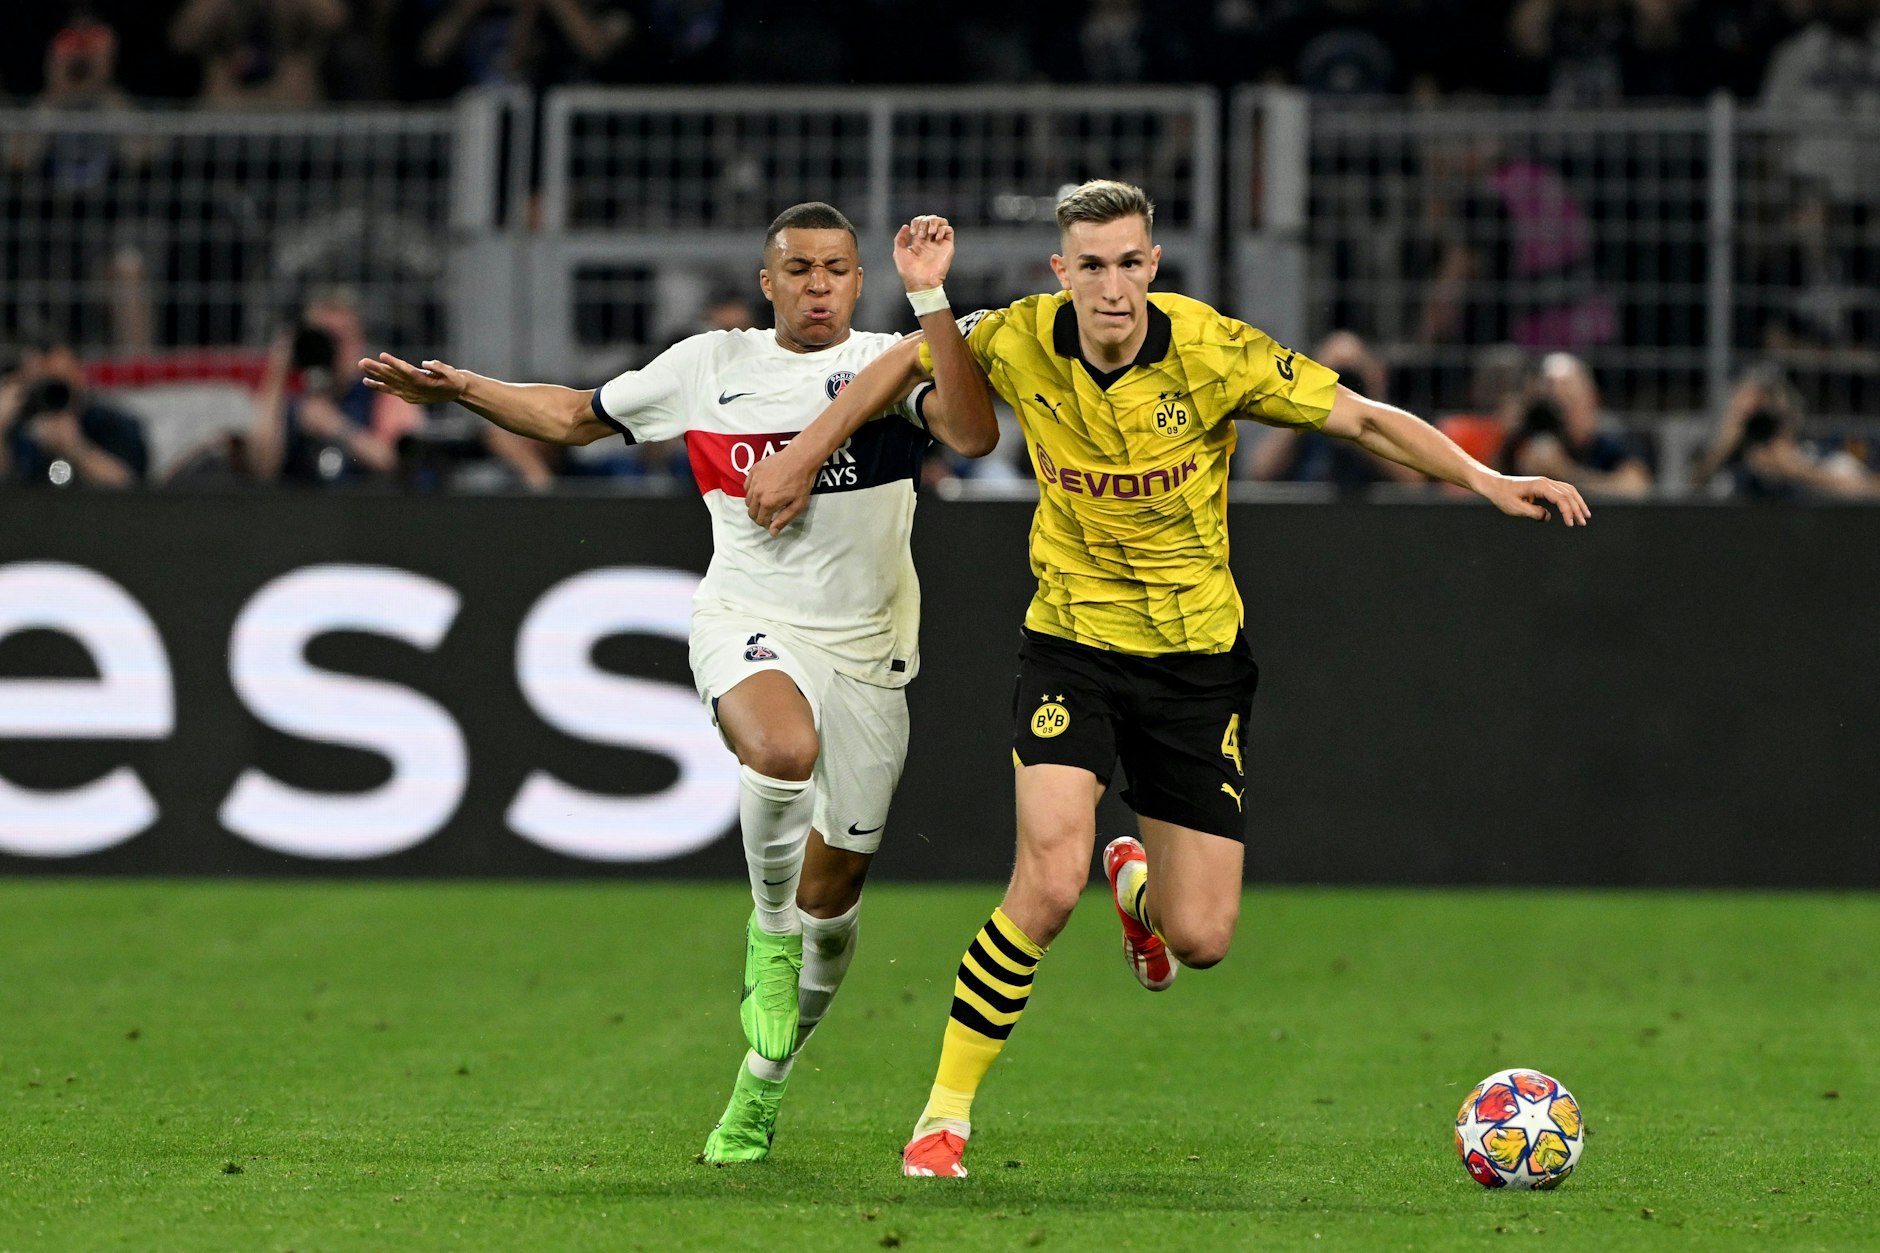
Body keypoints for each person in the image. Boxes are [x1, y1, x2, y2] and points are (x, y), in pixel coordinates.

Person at [744, 179, 1590, 1179]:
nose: (1109, 284)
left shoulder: (1213, 349)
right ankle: (943, 1115)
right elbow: (900, 361)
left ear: (1152, 264)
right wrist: (801, 452)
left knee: (1202, 937)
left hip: (1195, 666)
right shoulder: (1017, 333)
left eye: (1127, 262)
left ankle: (1138, 893)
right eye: (1089, 265)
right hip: (1070, 645)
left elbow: (1358, 419)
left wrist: (1486, 480)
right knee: (1045, 880)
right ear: (1062, 271)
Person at [357, 204, 997, 1162]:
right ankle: (765, 936)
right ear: (767, 280)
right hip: (747, 616)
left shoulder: (889, 359)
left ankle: (761, 1085)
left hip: (869, 649)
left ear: (858, 282)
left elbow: (977, 435)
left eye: (835, 269)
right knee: (781, 750)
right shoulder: (708, 365)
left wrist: (933, 304)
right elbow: (577, 416)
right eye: (799, 269)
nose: (819, 285)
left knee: (839, 907)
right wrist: (467, 391)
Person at [247, 287, 423, 486]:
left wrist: (337, 428)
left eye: (338, 339)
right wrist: (277, 372)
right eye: (322, 338)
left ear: (357, 341)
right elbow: (260, 467)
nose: (331, 349)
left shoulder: (382, 390)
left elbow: (403, 462)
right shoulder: (291, 399)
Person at [0, 339, 148, 488]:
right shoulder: (15, 427)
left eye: (57, 385)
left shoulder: (110, 423)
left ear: (80, 376)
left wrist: (76, 449)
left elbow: (130, 488)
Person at [1501, 351, 1652, 497]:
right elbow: (1487, 487)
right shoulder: (1528, 435)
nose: (1559, 411)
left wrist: (1564, 473)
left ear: (1592, 399)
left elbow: (1636, 489)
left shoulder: (1612, 438)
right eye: (1551, 403)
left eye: (1568, 400)